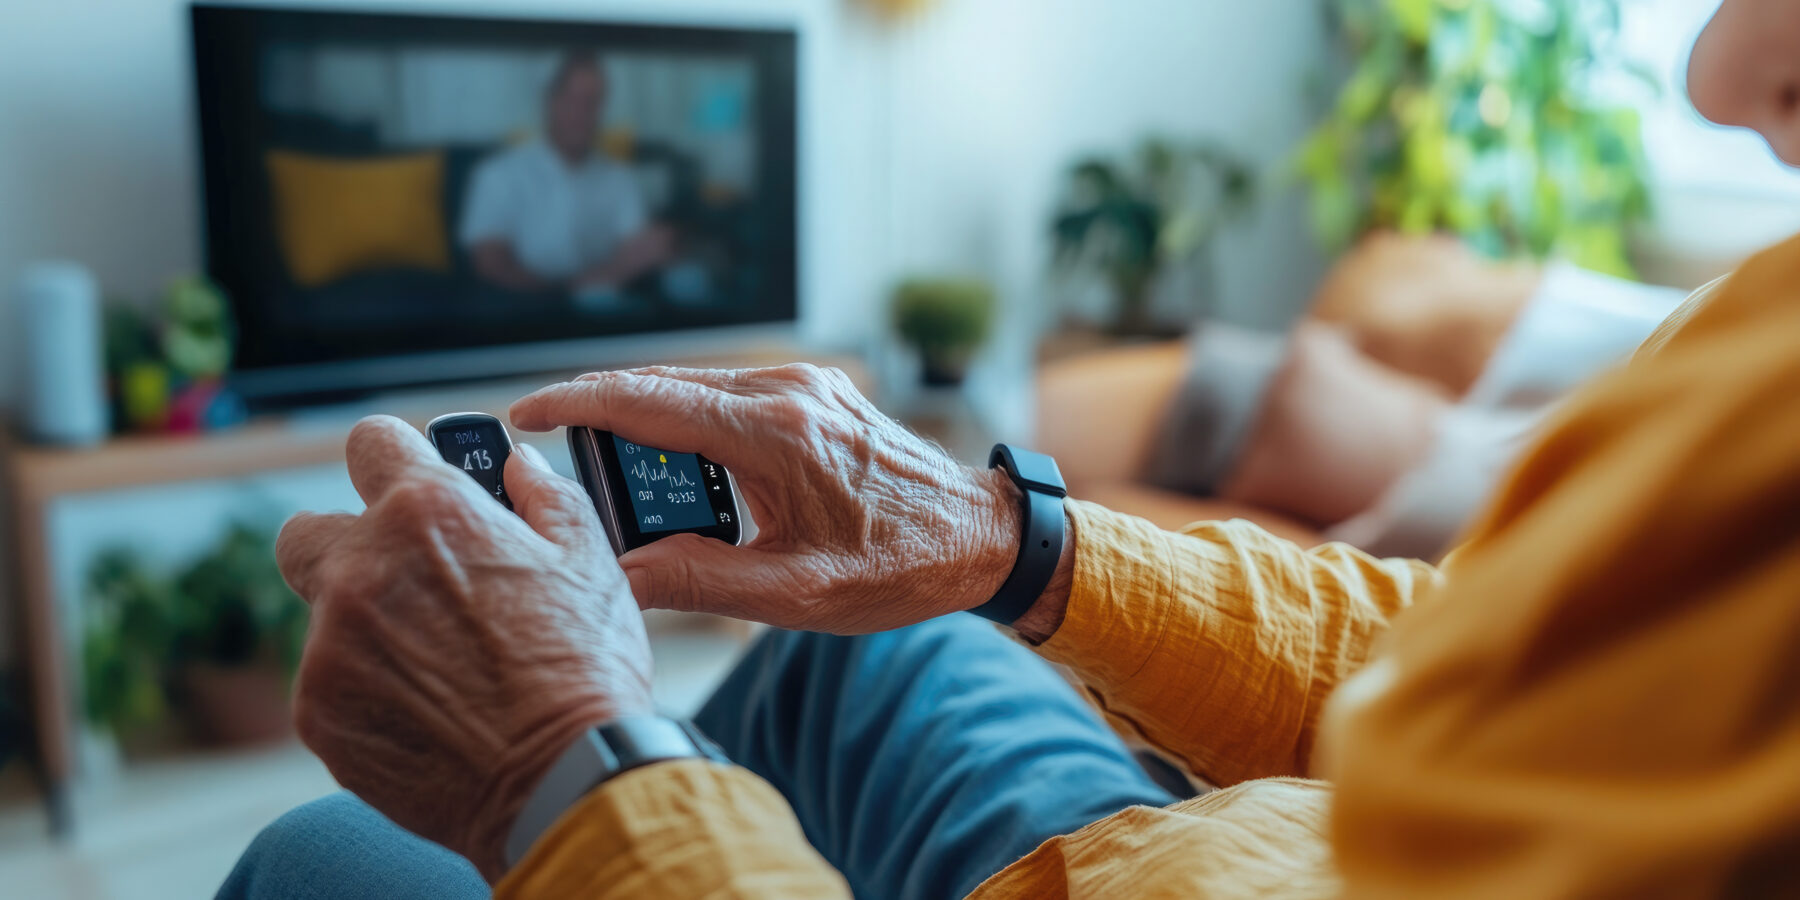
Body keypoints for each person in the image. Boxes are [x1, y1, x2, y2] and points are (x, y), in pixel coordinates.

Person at [223, 3, 1800, 898]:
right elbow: (1483, 665)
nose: (1716, 73)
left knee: (327, 859)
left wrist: (565, 758)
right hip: (1218, 860)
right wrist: (1005, 536)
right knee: (867, 652)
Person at [461, 52, 672, 294]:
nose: (581, 114)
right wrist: (566, 293)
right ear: (550, 102)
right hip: (523, 314)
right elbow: (489, 264)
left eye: (591, 103)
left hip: (605, 311)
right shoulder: (496, 175)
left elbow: (636, 253)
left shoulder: (620, 178)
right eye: (573, 100)